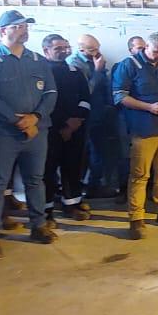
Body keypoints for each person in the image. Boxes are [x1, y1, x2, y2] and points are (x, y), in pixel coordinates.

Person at [0, 10, 58, 261]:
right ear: (3, 31)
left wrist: (36, 118)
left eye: (25, 26)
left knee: (35, 180)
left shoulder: (37, 60)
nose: (24, 30)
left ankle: (38, 226)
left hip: (36, 132)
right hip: (2, 134)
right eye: (18, 26)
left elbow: (51, 93)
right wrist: (17, 120)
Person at [112, 31, 158, 239]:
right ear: (146, 47)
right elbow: (119, 96)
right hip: (144, 129)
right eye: (155, 52)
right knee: (140, 174)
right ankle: (136, 218)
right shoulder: (128, 65)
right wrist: (148, 107)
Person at [41, 34, 92, 222]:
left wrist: (76, 121)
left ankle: (72, 204)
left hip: (75, 129)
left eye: (65, 47)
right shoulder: (40, 72)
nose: (63, 51)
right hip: (50, 130)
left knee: (73, 167)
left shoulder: (75, 72)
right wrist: (62, 123)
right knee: (47, 170)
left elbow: (85, 98)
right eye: (58, 48)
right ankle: (46, 211)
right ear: (46, 50)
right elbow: (44, 102)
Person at [70, 34, 117, 198]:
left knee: (99, 152)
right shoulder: (74, 64)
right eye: (92, 49)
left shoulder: (96, 59)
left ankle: (94, 186)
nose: (96, 52)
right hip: (83, 116)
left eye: (98, 48)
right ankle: (74, 189)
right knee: (80, 154)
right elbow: (86, 91)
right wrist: (97, 70)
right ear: (81, 49)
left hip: (99, 113)